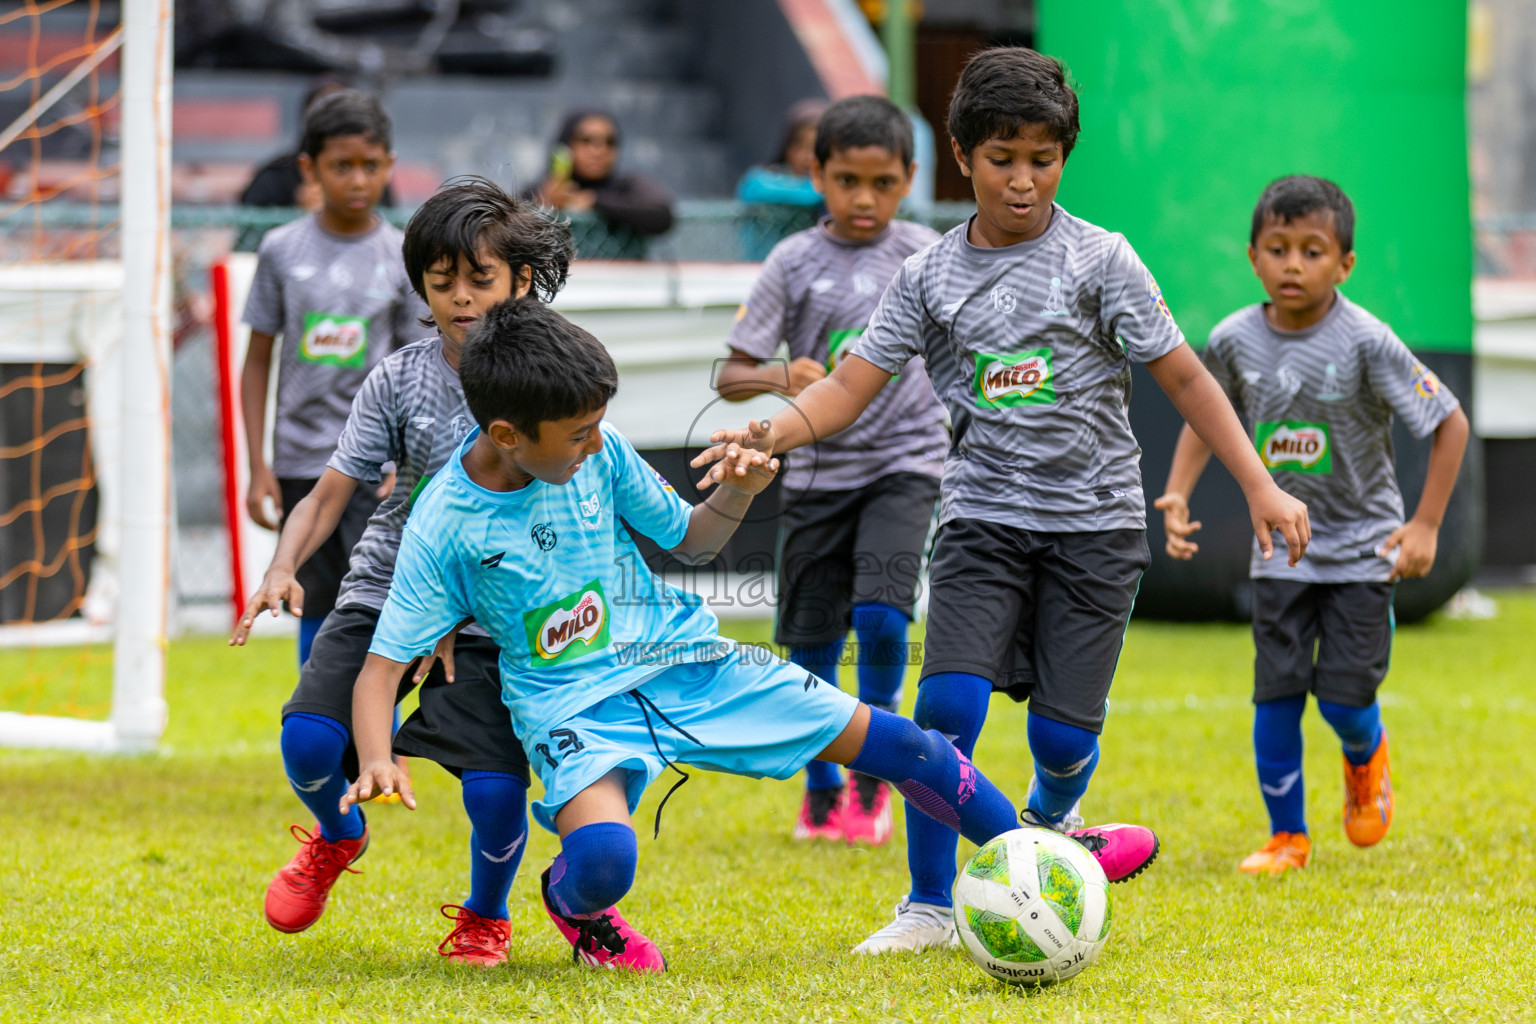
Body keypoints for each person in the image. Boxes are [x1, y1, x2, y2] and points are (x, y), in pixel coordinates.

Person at [694, 47, 1313, 954]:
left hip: (1097, 529)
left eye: (1042, 159)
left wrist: (1258, 483)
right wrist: (770, 430)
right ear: (961, 155)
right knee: (944, 712)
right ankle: (929, 907)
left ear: (1065, 157)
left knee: (1062, 738)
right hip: (982, 521)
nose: (1022, 181)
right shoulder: (929, 277)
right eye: (1001, 158)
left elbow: (1184, 377)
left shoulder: (1103, 259)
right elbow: (848, 387)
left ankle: (1052, 823)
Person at [339, 298, 1027, 974]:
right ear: (509, 434)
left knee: (905, 746)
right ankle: (571, 902)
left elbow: (694, 540)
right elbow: (380, 670)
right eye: (578, 433)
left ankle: (1040, 863)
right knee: (605, 863)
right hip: (571, 708)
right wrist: (376, 757)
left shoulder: (598, 454)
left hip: (688, 662)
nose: (595, 443)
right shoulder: (445, 521)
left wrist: (740, 491)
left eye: (598, 426)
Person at [230, 178, 574, 965]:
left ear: (520, 280)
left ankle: (487, 917)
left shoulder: (552, 377)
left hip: (497, 610)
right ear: (419, 283)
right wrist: (280, 565)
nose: (459, 297)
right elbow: (327, 495)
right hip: (390, 587)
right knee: (310, 745)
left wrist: (468, 612)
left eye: (478, 279)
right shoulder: (396, 377)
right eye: (441, 279)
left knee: (491, 791)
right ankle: (338, 833)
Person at [1155, 176, 1469, 876]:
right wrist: (1177, 493)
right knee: (1276, 692)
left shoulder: (1367, 340)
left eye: (1313, 251)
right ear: (1253, 257)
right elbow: (1209, 418)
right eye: (1278, 248)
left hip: (1363, 554)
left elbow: (1450, 422)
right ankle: (1287, 836)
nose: (1293, 264)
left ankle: (1367, 755)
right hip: (1282, 556)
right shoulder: (1234, 339)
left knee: (1345, 700)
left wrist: (1425, 525)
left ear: (1345, 265)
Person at [714, 95, 947, 847]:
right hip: (816, 471)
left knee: (883, 613)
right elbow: (730, 373)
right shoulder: (792, 260)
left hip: (906, 462)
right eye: (847, 180)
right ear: (816, 174)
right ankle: (821, 780)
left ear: (909, 178)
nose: (865, 199)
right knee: (809, 643)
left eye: (883, 183)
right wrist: (782, 377)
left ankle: (873, 777)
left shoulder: (927, 252)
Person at [240, 89, 425, 667]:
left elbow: (418, 375)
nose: (357, 180)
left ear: (389, 167)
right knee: (311, 599)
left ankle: (380, 751)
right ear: (309, 168)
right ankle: (318, 733)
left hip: (377, 470)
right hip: (301, 463)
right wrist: (257, 465)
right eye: (341, 166)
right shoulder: (279, 250)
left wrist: (411, 465)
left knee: (379, 601)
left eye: (370, 166)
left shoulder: (402, 255)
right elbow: (257, 360)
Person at [524, 109, 674, 260]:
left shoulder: (627, 187)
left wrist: (595, 201)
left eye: (609, 142)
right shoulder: (542, 191)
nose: (599, 151)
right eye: (586, 141)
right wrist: (543, 208)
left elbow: (661, 216)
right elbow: (510, 229)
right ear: (564, 147)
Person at [736, 99, 827, 260]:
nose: (807, 156)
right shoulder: (761, 179)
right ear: (787, 145)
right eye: (799, 146)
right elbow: (752, 189)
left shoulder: (828, 193)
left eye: (816, 149)